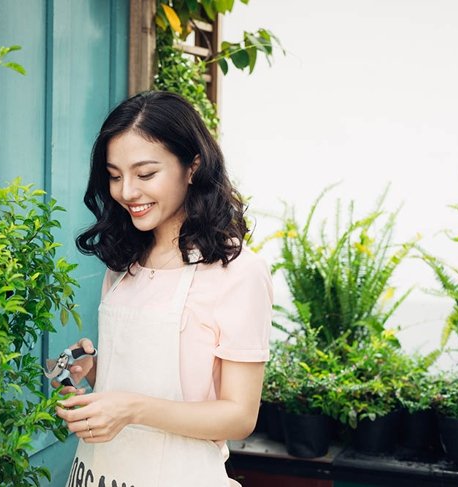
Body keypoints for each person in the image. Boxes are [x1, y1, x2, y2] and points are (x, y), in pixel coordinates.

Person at [55, 91, 272, 487]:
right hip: (97, 475)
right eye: (115, 176)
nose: (127, 193)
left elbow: (240, 416)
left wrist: (131, 409)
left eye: (145, 174)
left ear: (193, 166)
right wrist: (95, 373)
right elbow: (140, 385)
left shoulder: (238, 272)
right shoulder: (123, 263)